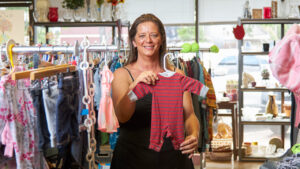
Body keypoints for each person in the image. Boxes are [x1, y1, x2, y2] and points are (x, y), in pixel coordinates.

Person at [111, 13, 199, 169]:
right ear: (134, 41)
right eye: (142, 36)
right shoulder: (122, 75)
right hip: (132, 159)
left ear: (161, 39)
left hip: (174, 160)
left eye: (153, 35)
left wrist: (193, 134)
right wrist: (134, 88)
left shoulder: (177, 74)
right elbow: (122, 117)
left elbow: (189, 115)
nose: (148, 40)